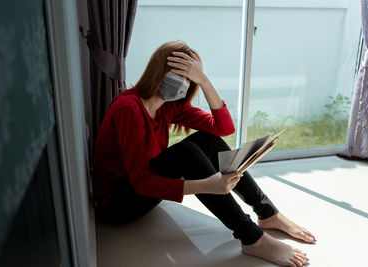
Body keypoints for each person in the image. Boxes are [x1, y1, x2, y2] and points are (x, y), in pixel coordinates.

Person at [93, 41, 315, 267]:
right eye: (183, 75)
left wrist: (204, 81)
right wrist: (206, 185)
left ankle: (267, 212)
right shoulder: (128, 109)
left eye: (191, 79)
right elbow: (141, 182)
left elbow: (224, 128)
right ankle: (251, 238)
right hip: (117, 204)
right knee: (185, 152)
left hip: (140, 189)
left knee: (207, 140)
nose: (185, 84)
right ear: (161, 71)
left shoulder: (168, 107)